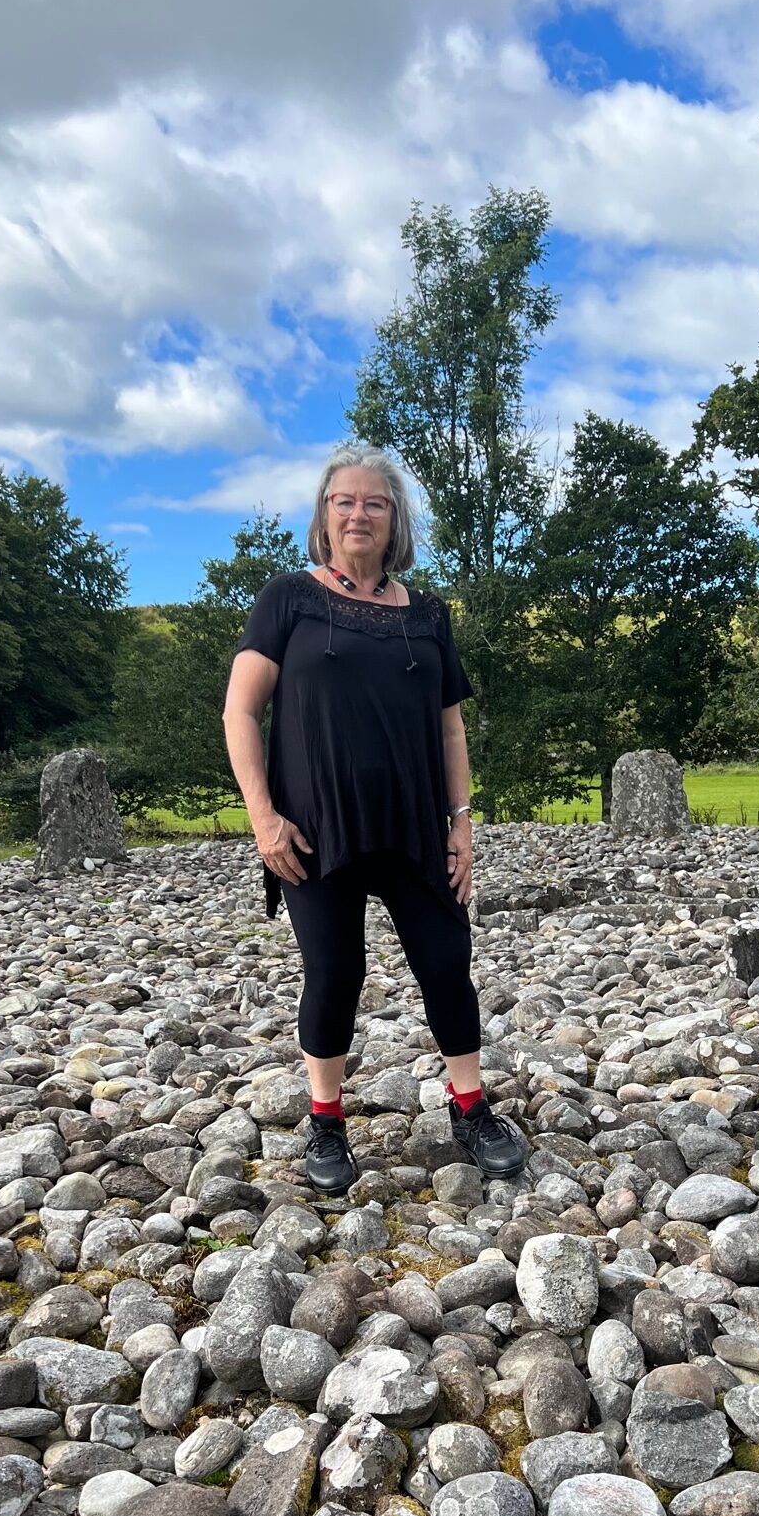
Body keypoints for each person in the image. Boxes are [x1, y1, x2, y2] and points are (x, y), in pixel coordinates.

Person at [221, 441, 529, 1196]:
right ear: (324, 516)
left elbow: (450, 729)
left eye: (375, 503)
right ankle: (326, 1121)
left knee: (446, 961)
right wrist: (263, 819)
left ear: (395, 522)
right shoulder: (288, 599)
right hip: (315, 828)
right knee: (335, 971)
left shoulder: (427, 614)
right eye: (345, 501)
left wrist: (462, 823)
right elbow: (240, 711)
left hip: (415, 825)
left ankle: (469, 1107)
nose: (359, 513)